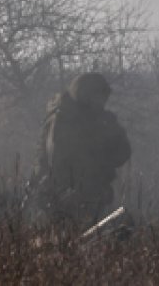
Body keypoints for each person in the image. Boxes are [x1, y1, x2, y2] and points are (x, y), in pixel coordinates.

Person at [33, 72, 131, 227]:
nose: (101, 102)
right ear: (85, 95)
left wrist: (112, 131)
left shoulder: (100, 120)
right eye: (97, 97)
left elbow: (123, 152)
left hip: (93, 195)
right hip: (65, 198)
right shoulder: (63, 120)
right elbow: (54, 159)